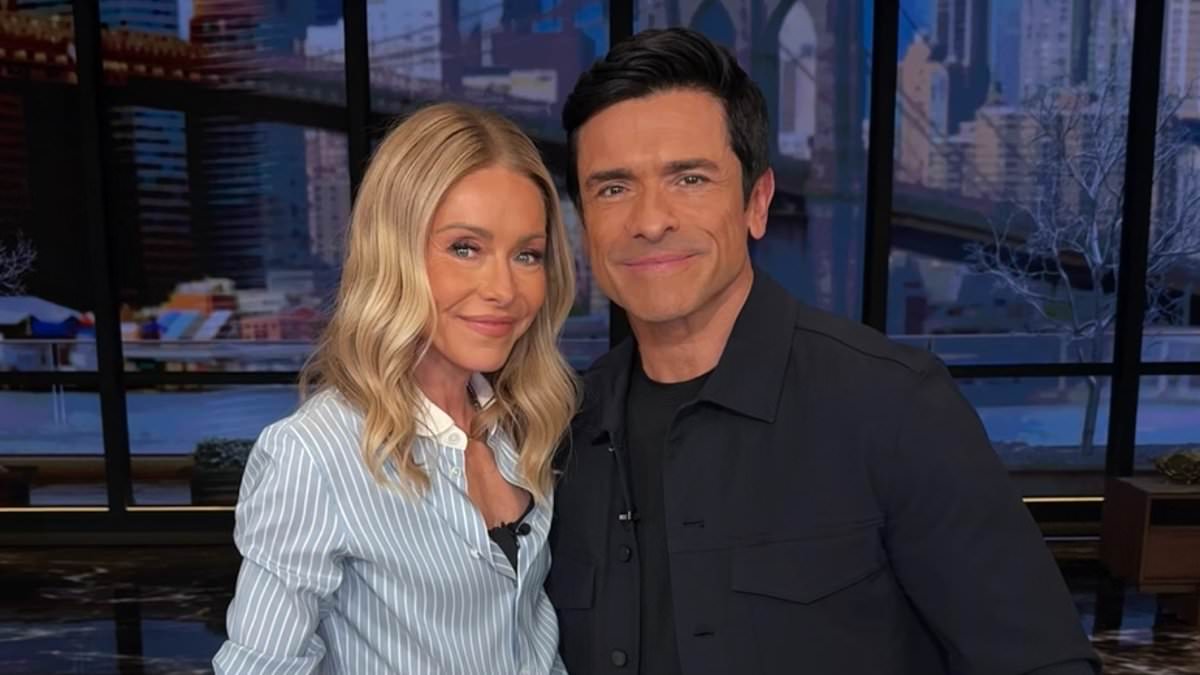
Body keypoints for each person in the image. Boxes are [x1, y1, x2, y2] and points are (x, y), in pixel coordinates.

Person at [545, 27, 1101, 674]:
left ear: (757, 202)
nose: (649, 220)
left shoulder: (894, 407)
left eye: (689, 178)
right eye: (613, 188)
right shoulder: (560, 430)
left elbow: (1042, 664)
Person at [213, 102, 577, 674]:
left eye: (527, 255)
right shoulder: (314, 454)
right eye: (465, 248)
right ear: (394, 252)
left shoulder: (523, 421)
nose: (505, 289)